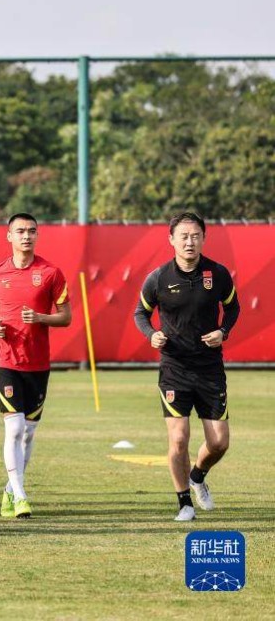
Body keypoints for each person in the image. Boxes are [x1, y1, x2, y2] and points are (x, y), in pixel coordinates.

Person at [133, 212, 239, 522]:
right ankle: (184, 504)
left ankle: (197, 476)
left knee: (219, 441)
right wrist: (152, 334)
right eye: (183, 236)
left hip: (209, 369)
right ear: (172, 240)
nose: (189, 241)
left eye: (195, 235)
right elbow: (141, 313)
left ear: (203, 238)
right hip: (174, 368)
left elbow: (233, 307)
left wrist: (223, 331)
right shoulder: (158, 278)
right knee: (178, 438)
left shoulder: (217, 274)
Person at [0, 213, 71, 520]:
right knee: (14, 428)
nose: (26, 236)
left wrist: (41, 318)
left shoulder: (51, 273)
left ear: (37, 235)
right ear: (9, 236)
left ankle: (10, 489)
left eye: (31, 231)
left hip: (38, 363)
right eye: (20, 231)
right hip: (6, 361)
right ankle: (21, 496)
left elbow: (66, 316)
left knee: (28, 433)